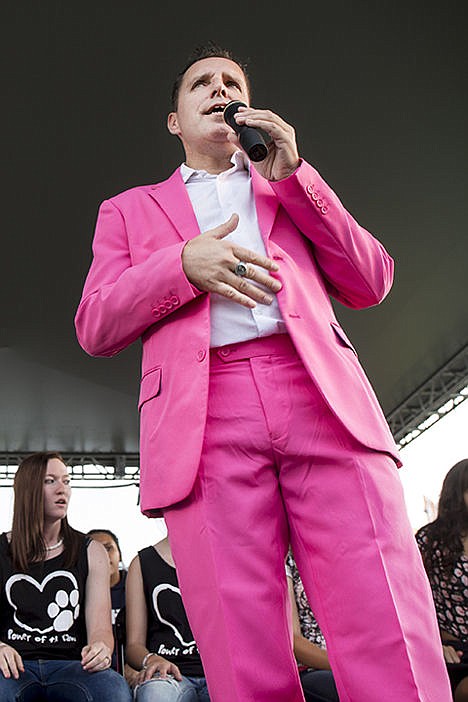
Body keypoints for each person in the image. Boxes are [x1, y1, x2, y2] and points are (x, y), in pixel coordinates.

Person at [75, 43, 452, 701]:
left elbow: (372, 281)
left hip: (321, 397)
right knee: (241, 639)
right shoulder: (129, 210)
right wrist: (180, 266)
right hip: (203, 413)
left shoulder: (288, 184)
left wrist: (298, 176)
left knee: (382, 604)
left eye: (232, 82)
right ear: (174, 120)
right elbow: (96, 324)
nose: (219, 88)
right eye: (202, 83)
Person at [0, 451, 132, 702]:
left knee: (112, 689)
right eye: (50, 481)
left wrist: (101, 649)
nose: (63, 489)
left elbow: (101, 631)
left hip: (72, 665)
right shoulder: (1, 549)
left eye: (67, 480)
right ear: (28, 490)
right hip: (13, 667)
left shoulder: (91, 551)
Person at [125, 535, 209, 701]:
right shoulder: (142, 564)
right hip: (168, 677)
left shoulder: (227, 556)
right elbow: (134, 646)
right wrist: (152, 659)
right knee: (156, 694)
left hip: (222, 676)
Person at [416, 459, 468, 702]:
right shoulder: (429, 541)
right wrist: (436, 642)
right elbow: (414, 603)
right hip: (454, 652)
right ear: (458, 494)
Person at [286, 552, 338, 702]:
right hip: (312, 667)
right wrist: (342, 666)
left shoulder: (337, 554)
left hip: (352, 661)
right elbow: (294, 641)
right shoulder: (287, 561)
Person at [87, 529, 127, 672]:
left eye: (108, 548)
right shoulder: (76, 591)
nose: (103, 555)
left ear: (120, 555)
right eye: (96, 550)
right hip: (93, 668)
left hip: (132, 667)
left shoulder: (136, 586)